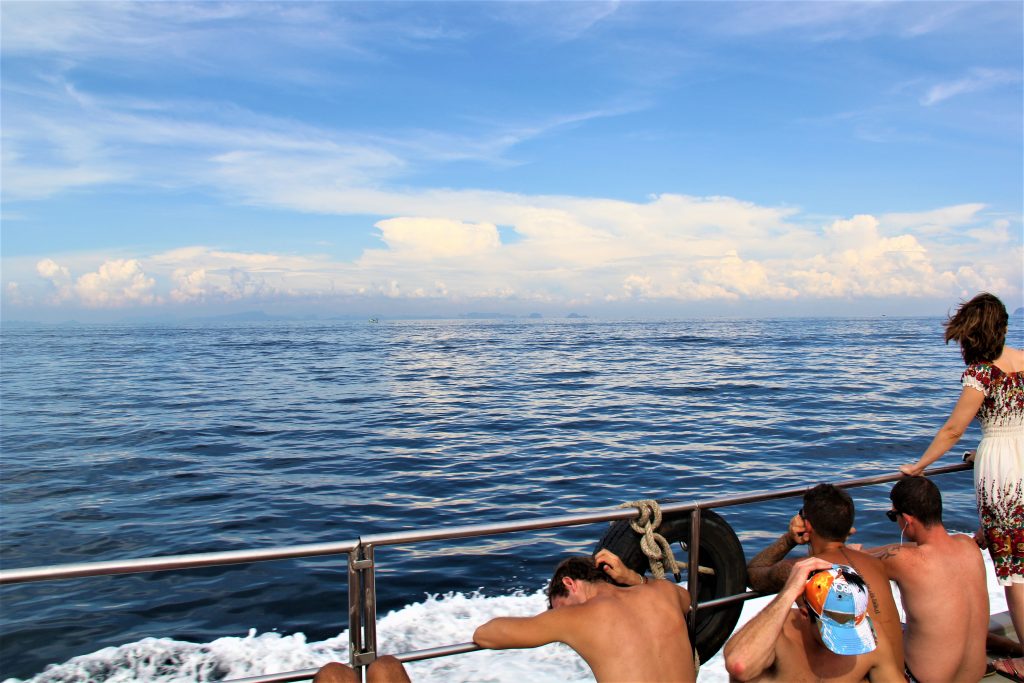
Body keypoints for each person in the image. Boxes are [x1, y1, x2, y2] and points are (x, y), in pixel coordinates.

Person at [312, 552, 696, 683]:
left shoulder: (582, 617)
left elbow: (488, 634)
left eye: (556, 604)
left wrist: (554, 623)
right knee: (385, 668)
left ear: (570, 585)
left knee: (338, 674)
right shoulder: (660, 594)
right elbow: (687, 599)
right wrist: (632, 578)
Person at [898, 292, 1023, 681]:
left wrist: (919, 465)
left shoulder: (981, 374)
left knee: (1014, 567)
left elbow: (953, 429)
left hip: (1004, 471)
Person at [745, 483, 904, 672]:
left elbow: (753, 572)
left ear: (808, 525)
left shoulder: (800, 570)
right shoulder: (875, 564)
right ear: (849, 527)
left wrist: (789, 539)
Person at [860, 476, 989, 683]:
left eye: (894, 516)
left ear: (907, 520)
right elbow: (922, 551)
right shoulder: (968, 545)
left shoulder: (902, 559)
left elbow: (856, 565)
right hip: (973, 677)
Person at [724, 557, 902, 682]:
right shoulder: (779, 638)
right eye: (835, 630)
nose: (846, 642)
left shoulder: (870, 637)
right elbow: (739, 665)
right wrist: (789, 591)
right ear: (804, 614)